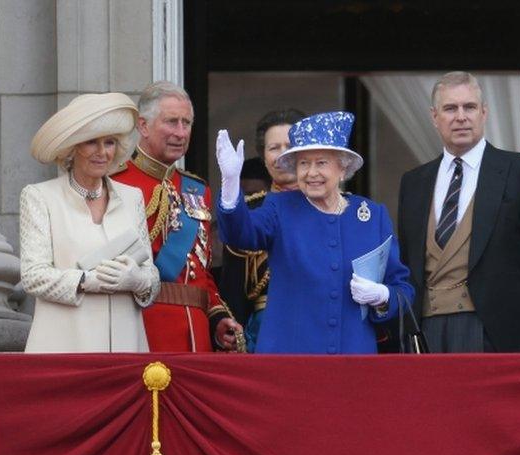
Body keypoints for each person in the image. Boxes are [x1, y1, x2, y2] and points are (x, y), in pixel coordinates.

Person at [215, 111, 414, 354]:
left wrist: (382, 296)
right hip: (289, 358)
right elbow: (241, 233)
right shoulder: (280, 208)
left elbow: (402, 290)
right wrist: (230, 184)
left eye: (321, 163)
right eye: (303, 164)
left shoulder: (372, 216)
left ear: (342, 169)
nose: (311, 173)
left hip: (354, 359)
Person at [397, 72, 520, 352]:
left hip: (493, 328)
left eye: (469, 107)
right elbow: (408, 261)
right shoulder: (414, 182)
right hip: (426, 328)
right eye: (450, 108)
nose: (460, 117)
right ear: (434, 116)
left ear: (484, 112)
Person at [21, 93, 160, 352]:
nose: (102, 152)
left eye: (109, 143)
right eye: (91, 142)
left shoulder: (132, 198)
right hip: (64, 349)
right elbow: (33, 276)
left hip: (126, 348)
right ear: (72, 148)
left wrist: (137, 280)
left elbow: (150, 274)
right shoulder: (40, 196)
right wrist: (86, 280)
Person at [114, 81, 242, 352]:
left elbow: (201, 271)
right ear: (143, 126)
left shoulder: (198, 189)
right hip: (142, 327)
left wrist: (217, 317)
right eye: (172, 122)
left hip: (196, 333)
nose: (181, 132)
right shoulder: (116, 184)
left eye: (187, 123)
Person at [218, 108, 304, 352]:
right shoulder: (248, 211)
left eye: (290, 145)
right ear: (264, 157)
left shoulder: (332, 206)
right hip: (263, 332)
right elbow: (232, 285)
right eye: (274, 148)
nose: (282, 155)